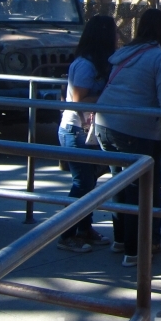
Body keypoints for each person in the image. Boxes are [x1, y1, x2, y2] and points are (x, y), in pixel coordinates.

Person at [95, 9, 161, 267]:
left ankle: (120, 240)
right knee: (139, 191)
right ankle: (135, 249)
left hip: (105, 121)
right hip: (134, 128)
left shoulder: (125, 54)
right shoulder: (159, 57)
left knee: (119, 182)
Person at [55, 15, 117, 252]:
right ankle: (65, 233)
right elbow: (79, 100)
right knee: (81, 183)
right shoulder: (85, 64)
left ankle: (84, 228)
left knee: (89, 183)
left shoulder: (101, 62)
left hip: (90, 130)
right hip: (75, 129)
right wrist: (109, 97)